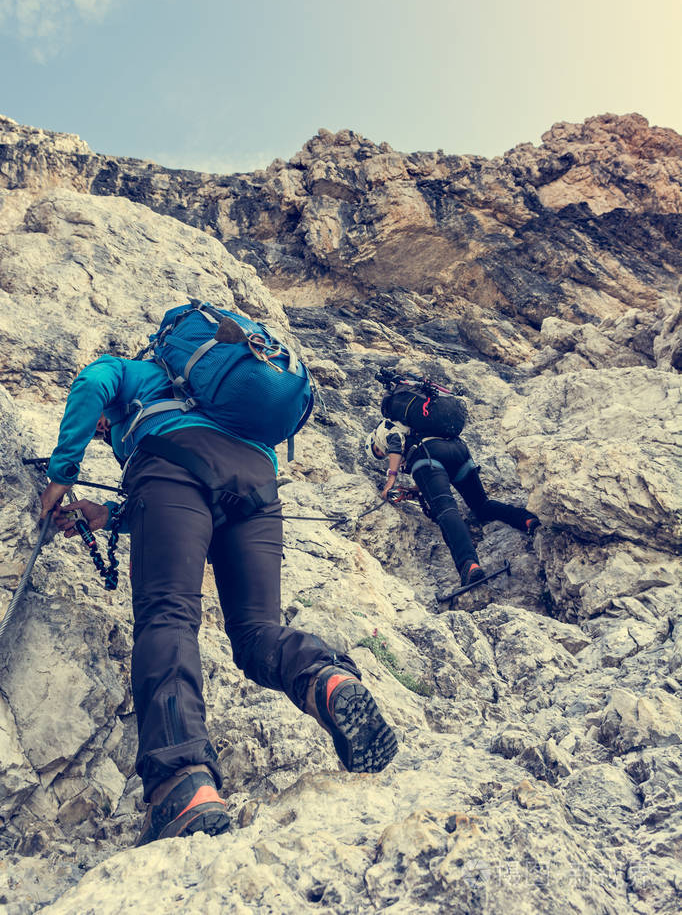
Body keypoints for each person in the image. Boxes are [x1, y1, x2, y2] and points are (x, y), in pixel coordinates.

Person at [40, 353, 398, 846]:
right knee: (257, 633)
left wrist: (61, 474)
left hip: (171, 467)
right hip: (256, 484)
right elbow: (179, 506)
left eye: (104, 428)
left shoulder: (138, 373)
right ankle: (329, 682)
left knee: (168, 617)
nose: (104, 431)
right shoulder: (215, 406)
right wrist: (110, 515)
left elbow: (91, 381)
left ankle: (182, 783)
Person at [365, 418, 539, 590]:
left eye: (376, 450)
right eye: (380, 456)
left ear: (374, 439)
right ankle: (527, 520)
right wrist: (416, 490)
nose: (382, 453)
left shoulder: (386, 428)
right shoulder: (416, 423)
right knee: (481, 505)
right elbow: (435, 475)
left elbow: (396, 444)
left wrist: (390, 481)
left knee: (446, 510)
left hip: (428, 456)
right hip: (458, 452)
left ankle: (469, 565)